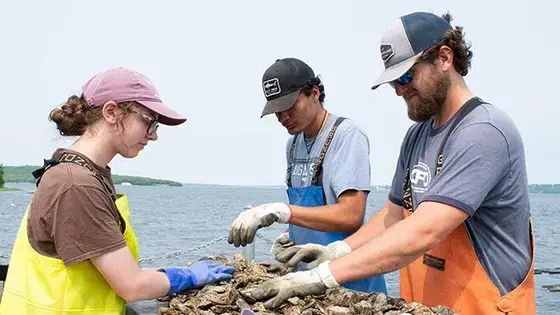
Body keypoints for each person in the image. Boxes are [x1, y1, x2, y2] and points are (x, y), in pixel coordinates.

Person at [241, 12, 536, 315]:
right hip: (428, 306)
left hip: (484, 306)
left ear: (445, 58)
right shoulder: (417, 135)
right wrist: (338, 250)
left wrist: (323, 276)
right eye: (394, 81)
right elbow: (394, 215)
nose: (399, 89)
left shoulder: (483, 131)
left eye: (406, 76)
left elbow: (425, 230)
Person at [0, 67, 235, 314]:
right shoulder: (76, 185)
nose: (153, 136)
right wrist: (185, 277)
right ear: (111, 112)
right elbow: (132, 286)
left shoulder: (80, 172)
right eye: (149, 122)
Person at [227, 57, 387, 293]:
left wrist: (282, 212)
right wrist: (288, 234)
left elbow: (351, 214)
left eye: (289, 107)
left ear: (314, 93)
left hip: (348, 279)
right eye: (277, 111)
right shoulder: (293, 144)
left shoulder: (347, 136)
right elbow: (306, 211)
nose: (283, 118)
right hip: (303, 279)